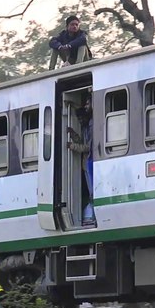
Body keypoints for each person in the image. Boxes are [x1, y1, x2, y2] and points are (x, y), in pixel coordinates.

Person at [66, 95, 95, 225]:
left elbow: (88, 147)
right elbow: (83, 142)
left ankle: (93, 217)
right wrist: (73, 135)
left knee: (92, 192)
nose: (80, 120)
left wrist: (73, 146)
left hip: (90, 162)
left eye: (81, 117)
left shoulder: (91, 125)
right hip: (86, 163)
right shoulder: (86, 126)